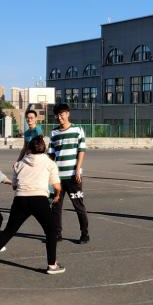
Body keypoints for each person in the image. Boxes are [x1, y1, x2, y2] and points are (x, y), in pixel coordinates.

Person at [0, 134, 65, 274]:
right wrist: (56, 196)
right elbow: (57, 186)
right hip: (39, 199)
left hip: (20, 199)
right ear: (44, 149)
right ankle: (52, 265)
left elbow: (14, 186)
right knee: (51, 230)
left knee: (8, 231)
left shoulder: (19, 164)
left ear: (29, 149)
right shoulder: (50, 163)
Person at [50, 103, 89, 244]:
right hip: (58, 178)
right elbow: (51, 156)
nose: (59, 117)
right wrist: (50, 174)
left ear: (68, 114)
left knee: (79, 206)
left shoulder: (78, 129)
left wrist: (78, 169)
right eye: (57, 115)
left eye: (62, 114)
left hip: (73, 177)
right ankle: (57, 234)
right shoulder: (54, 133)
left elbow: (81, 150)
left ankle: (84, 234)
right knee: (56, 208)